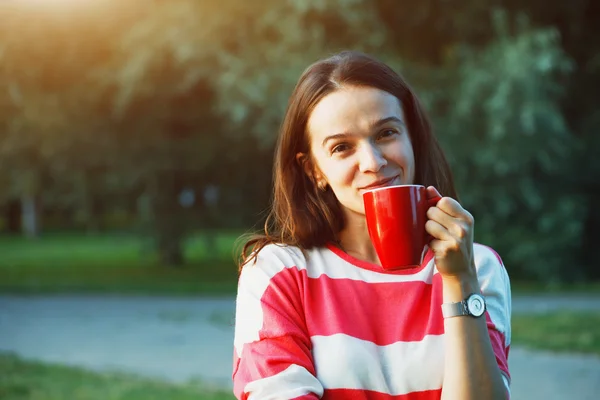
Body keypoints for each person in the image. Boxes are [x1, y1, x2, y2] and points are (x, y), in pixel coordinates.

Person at [232, 50, 511, 400]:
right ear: (313, 170)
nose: (373, 162)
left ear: (413, 138)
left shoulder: (478, 267)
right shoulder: (279, 272)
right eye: (342, 147)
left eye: (386, 133)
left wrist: (460, 281)